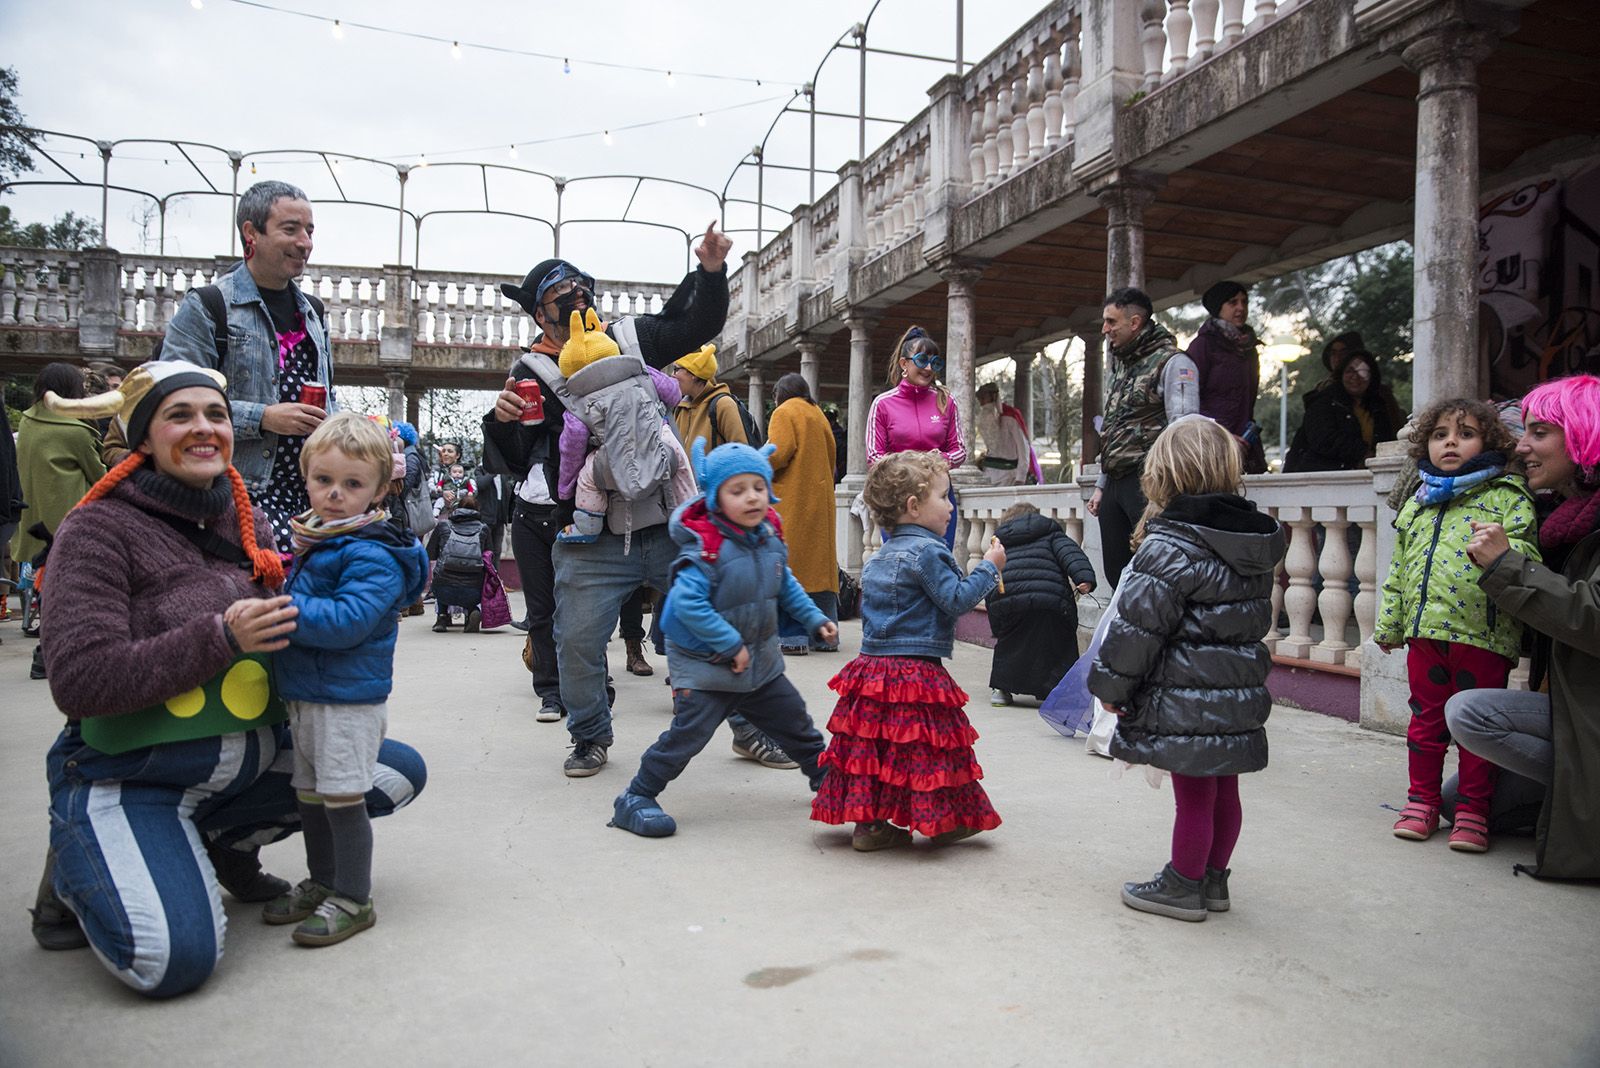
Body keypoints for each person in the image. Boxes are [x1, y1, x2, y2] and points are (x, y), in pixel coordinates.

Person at [27, 361, 425, 995]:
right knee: (170, 961)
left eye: (215, 414)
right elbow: (80, 680)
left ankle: (216, 840)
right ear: (142, 435)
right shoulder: (96, 529)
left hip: (241, 763)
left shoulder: (252, 521)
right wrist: (219, 637)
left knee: (390, 772)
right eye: (179, 415)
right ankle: (81, 862)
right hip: (139, 768)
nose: (204, 428)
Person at [485, 223, 733, 766]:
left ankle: (749, 722)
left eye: (581, 290)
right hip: (592, 535)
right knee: (574, 640)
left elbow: (693, 323)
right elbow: (519, 450)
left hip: (666, 519)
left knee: (724, 612)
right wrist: (502, 420)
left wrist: (710, 272)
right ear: (539, 314)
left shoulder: (629, 338)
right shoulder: (532, 371)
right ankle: (591, 735)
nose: (577, 301)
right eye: (560, 296)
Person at [1089, 416, 1285, 921]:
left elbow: (1138, 629)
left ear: (1162, 473)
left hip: (1185, 695)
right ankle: (1214, 880)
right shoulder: (1254, 543)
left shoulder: (1170, 545)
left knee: (1194, 794)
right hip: (1235, 693)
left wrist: (1111, 687)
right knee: (1225, 788)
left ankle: (1183, 883)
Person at [608, 440, 838, 837]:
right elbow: (686, 606)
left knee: (796, 723)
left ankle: (830, 783)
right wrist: (729, 644)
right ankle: (636, 797)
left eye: (758, 487)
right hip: (707, 669)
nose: (751, 497)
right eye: (737, 490)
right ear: (715, 498)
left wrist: (814, 617)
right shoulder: (705, 549)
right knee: (686, 738)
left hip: (760, 665)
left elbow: (785, 585)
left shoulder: (768, 538)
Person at [263, 413, 428, 946]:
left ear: (379, 490)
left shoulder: (370, 552)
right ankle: (322, 880)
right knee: (310, 795)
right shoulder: (323, 540)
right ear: (307, 476)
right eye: (324, 480)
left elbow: (346, 622)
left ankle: (354, 897)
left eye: (352, 484)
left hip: (347, 700)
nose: (334, 494)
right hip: (310, 693)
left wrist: (279, 610)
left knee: (342, 799)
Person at [811, 450, 1006, 851]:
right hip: (916, 670)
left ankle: (871, 826)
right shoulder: (929, 551)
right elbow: (956, 600)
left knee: (878, 750)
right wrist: (989, 566)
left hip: (873, 669)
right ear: (914, 506)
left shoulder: (879, 556)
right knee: (923, 753)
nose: (950, 507)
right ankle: (939, 821)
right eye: (943, 497)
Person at [1448, 374, 1600, 878]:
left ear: (1583, 433)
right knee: (1459, 802)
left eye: (1540, 432)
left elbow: (1592, 615)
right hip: (1573, 707)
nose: (1522, 444)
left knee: (1471, 715)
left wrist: (1509, 566)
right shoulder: (1557, 517)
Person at [1373, 399, 1537, 852]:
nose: (1451, 442)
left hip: (1482, 638)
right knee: (1425, 723)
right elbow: (1398, 572)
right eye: (1441, 434)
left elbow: (1529, 564)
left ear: (1489, 442)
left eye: (1465, 433)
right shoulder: (1419, 503)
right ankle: (1421, 802)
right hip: (1426, 637)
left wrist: (1506, 551)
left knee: (1473, 734)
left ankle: (1472, 812)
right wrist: (1389, 625)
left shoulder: (1507, 496)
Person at [159, 180, 332, 553]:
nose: (305, 242)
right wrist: (264, 417)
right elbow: (171, 404)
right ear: (251, 233)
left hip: (311, 500)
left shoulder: (313, 312)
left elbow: (327, 399)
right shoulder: (208, 306)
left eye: (309, 230)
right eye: (290, 229)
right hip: (235, 496)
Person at [553, 309, 696, 545]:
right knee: (679, 463)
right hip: (657, 439)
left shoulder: (577, 406)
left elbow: (572, 447)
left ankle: (588, 524)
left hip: (611, 455)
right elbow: (673, 394)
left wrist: (565, 488)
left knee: (588, 477)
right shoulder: (642, 374)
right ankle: (691, 515)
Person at [1087, 288, 1199, 588]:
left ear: (1134, 322)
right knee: (1116, 571)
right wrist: (1101, 485)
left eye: (1111, 322)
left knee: (1154, 568)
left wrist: (1169, 487)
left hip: (1151, 484)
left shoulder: (1174, 363)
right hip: (1115, 484)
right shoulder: (1122, 367)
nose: (1105, 329)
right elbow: (1112, 429)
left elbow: (1184, 431)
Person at [10, 363, 108, 638]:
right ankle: (51, 647)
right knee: (73, 587)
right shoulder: (75, 431)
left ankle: (46, 639)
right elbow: (100, 476)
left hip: (34, 516)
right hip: (71, 519)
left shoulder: (28, 422)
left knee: (44, 581)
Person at [985, 501, 1096, 706]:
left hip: (1009, 600)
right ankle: (1060, 690)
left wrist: (997, 625)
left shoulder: (1000, 543)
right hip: (1051, 600)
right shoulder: (1052, 534)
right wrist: (1084, 578)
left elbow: (991, 575)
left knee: (1009, 643)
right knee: (1059, 643)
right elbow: (1072, 555)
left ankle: (1001, 689)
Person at [865, 326, 967, 548]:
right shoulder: (882, 404)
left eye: (935, 363)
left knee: (939, 562)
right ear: (904, 363)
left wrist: (936, 462)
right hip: (896, 498)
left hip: (938, 496)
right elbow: (874, 456)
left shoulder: (947, 402)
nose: (928, 368)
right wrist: (911, 467)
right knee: (899, 563)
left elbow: (959, 450)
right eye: (921, 360)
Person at [766, 372, 840, 653]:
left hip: (792, 501)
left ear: (780, 394)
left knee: (790, 569)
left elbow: (778, 453)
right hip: (820, 502)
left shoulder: (784, 412)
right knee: (820, 573)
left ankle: (794, 638)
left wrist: (753, 462)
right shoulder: (817, 413)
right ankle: (826, 637)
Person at [1187, 280, 1266, 473]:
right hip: (1210, 447)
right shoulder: (1203, 346)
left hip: (1244, 446)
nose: (1241, 308)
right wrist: (1221, 435)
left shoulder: (1249, 349)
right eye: (1233, 302)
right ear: (1218, 307)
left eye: (1244, 302)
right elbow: (1190, 400)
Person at [1282, 350, 1398, 473]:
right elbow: (1323, 439)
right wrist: (1362, 452)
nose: (1355, 376)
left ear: (1372, 376)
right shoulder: (1323, 402)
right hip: (1318, 479)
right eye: (1349, 371)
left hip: (1363, 478)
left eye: (1363, 371)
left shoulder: (1378, 407)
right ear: (1341, 374)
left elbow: (1386, 441)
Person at [427, 492, 494, 632]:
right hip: (473, 591)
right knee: (475, 574)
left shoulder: (443, 526)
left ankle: (442, 617)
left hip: (443, 589)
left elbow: (430, 554)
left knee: (441, 571)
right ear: (477, 510)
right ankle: (471, 613)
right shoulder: (483, 528)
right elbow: (489, 557)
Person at [669, 343, 748, 450]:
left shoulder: (723, 404)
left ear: (693, 374)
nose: (672, 375)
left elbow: (740, 452)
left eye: (676, 369)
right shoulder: (681, 408)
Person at [974, 381, 1042, 486]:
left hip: (1008, 475)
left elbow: (1023, 448)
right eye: (980, 399)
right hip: (988, 474)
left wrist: (1021, 477)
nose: (981, 402)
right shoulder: (984, 419)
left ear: (994, 396)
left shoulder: (1011, 418)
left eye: (984, 398)